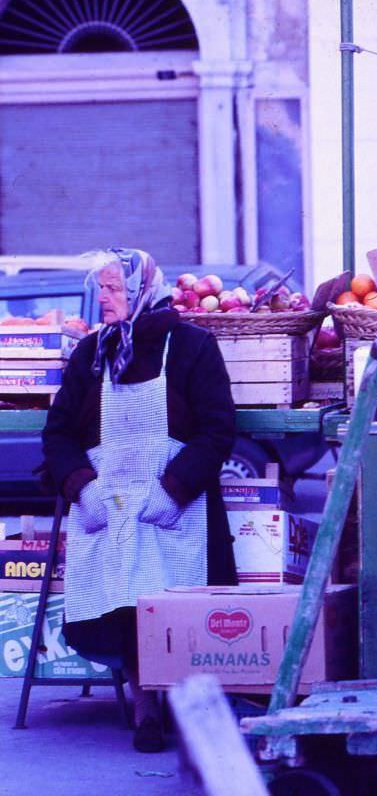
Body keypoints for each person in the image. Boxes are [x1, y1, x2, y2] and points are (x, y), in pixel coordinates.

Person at [42, 248, 237, 753]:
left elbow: (217, 430)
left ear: (142, 289)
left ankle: (183, 700)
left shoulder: (192, 347)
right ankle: (144, 705)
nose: (101, 297)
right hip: (106, 504)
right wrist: (82, 488)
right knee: (122, 603)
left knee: (172, 601)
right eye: (100, 288)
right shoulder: (92, 355)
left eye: (113, 288)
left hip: (174, 506)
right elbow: (59, 434)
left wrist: (173, 491)